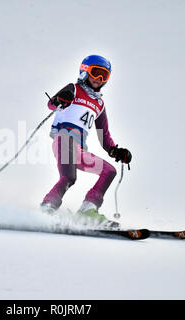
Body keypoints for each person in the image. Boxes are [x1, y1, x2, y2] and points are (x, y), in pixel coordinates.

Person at [40, 55, 132, 227]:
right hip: (63, 139)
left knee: (109, 171)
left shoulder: (99, 104)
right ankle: (48, 207)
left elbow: (104, 135)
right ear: (85, 71)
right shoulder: (73, 89)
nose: (99, 79)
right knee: (68, 177)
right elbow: (51, 104)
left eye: (104, 76)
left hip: (78, 149)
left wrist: (115, 151)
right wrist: (61, 99)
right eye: (96, 73)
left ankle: (87, 211)